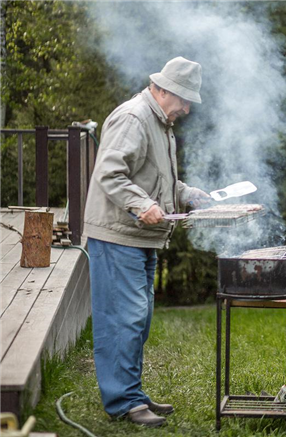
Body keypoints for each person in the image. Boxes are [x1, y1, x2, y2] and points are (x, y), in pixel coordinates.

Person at [83, 56, 210, 427]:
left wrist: (186, 193)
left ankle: (132, 393)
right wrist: (141, 205)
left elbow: (153, 177)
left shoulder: (160, 122)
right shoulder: (134, 118)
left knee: (138, 319)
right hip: (118, 235)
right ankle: (123, 402)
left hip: (141, 238)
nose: (187, 108)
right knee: (124, 318)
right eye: (184, 99)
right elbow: (110, 173)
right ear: (164, 89)